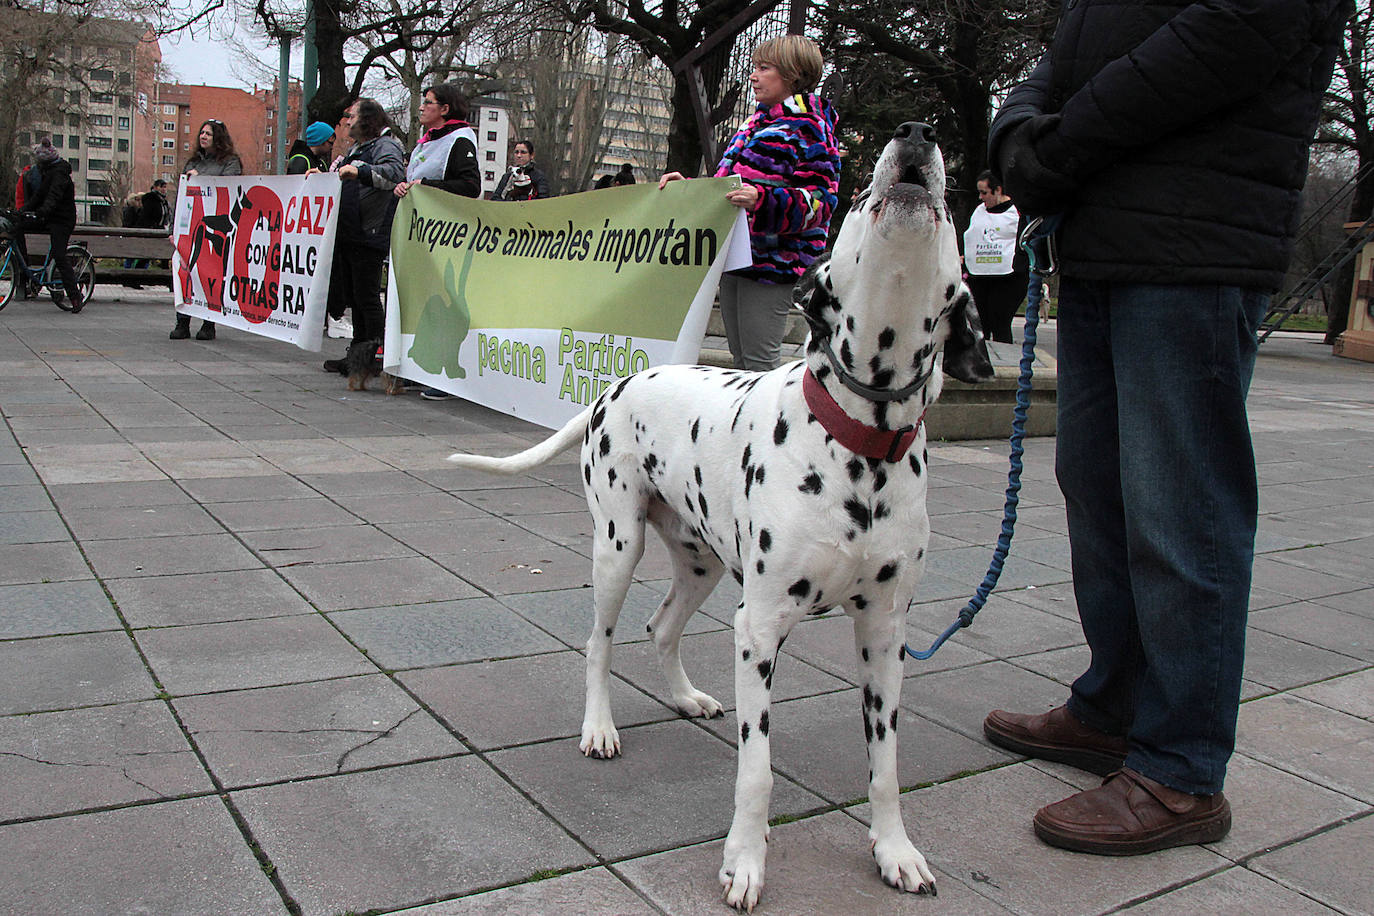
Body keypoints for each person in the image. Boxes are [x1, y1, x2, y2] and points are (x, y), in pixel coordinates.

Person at [980, 0, 1349, 856]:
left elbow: (1222, 38)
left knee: (1182, 511)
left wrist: (1058, 147)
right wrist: (1015, 130)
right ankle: (1116, 706)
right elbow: (1072, 45)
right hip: (1107, 237)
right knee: (1098, 487)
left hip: (1196, 242)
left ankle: (1181, 769)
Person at [659, 35, 840, 371]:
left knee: (759, 363)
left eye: (764, 68)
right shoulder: (755, 123)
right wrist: (688, 191)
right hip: (736, 257)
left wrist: (765, 201)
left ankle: (770, 425)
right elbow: (726, 189)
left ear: (793, 73)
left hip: (772, 265)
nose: (753, 76)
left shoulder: (811, 126)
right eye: (754, 67)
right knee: (741, 361)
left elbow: (822, 202)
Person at [391, 82, 482, 400]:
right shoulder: (422, 144)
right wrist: (405, 188)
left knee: (447, 303)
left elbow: (470, 186)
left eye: (427, 103)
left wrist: (426, 185)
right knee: (423, 301)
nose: (421, 108)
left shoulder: (460, 139)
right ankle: (422, 365)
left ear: (444, 109)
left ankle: (445, 374)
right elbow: (413, 181)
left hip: (448, 237)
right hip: (421, 237)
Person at [327, 98, 407, 387]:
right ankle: (359, 356)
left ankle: (378, 356)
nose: (347, 121)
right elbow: (337, 172)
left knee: (368, 297)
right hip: (351, 231)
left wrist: (359, 172)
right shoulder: (356, 148)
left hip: (369, 232)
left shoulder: (386, 146)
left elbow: (394, 175)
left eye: (352, 116)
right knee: (357, 298)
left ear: (368, 120)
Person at [171, 119, 243, 341]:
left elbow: (229, 187)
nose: (203, 137)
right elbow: (183, 194)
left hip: (217, 225)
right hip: (192, 223)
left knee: (211, 272)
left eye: (208, 134)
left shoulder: (230, 162)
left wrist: (201, 181)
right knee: (185, 269)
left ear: (218, 138)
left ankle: (208, 323)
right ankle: (182, 321)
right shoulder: (193, 162)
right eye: (201, 133)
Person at [12, 137, 85, 313]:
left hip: (62, 220)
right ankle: (26, 269)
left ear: (47, 161)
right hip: (48, 217)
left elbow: (53, 197)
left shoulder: (60, 173)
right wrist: (22, 212)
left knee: (60, 256)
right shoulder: (46, 171)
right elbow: (39, 196)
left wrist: (41, 212)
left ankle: (75, 296)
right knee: (17, 227)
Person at [961, 171, 1026, 344]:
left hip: (1008, 278)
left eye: (984, 192)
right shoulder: (979, 211)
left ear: (998, 190)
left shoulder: (1017, 212)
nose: (981, 197)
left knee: (1000, 321)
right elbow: (973, 237)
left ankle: (1003, 360)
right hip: (980, 276)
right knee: (980, 324)